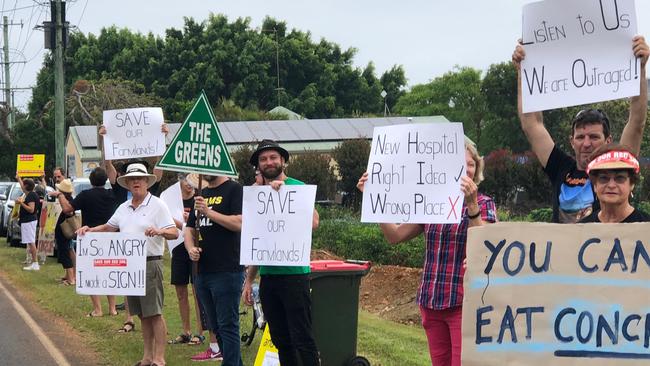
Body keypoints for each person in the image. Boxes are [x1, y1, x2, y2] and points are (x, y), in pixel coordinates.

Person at [357, 138, 496, 366]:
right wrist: (373, 197)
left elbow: (484, 247)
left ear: (477, 168)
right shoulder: (433, 202)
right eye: (460, 164)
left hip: (464, 303)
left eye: (471, 164)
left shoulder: (484, 203)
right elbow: (395, 235)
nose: (466, 169)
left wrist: (472, 207)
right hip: (431, 301)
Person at [512, 35, 649, 223]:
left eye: (593, 136)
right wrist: (524, 73)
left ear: (608, 141)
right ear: (571, 141)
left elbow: (636, 122)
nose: (586, 143)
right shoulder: (560, 166)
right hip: (563, 251)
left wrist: (640, 68)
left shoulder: (619, 160)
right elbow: (531, 125)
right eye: (580, 137)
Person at [77, 163, 177, 366]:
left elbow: (174, 231)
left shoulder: (157, 205)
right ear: (128, 183)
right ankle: (147, 356)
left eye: (140, 179)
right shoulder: (123, 207)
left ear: (147, 182)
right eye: (132, 179)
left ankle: (159, 358)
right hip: (130, 266)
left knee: (155, 312)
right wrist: (89, 230)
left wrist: (159, 232)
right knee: (141, 314)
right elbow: (109, 227)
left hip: (150, 263)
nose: (136, 182)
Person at [242, 139, 321, 366]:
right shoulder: (256, 196)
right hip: (268, 278)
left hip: (294, 276)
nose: (269, 162)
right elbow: (257, 241)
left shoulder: (298, 187)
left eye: (273, 157)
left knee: (302, 338)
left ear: (283, 161)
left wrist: (282, 194)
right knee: (280, 340)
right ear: (259, 165)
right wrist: (249, 280)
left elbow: (314, 222)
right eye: (263, 159)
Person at [184, 173, 244, 364]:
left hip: (227, 270)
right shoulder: (201, 193)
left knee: (228, 325)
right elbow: (189, 229)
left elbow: (239, 223)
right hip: (202, 271)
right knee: (216, 326)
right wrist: (190, 248)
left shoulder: (235, 190)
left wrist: (209, 212)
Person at [57, 167, 118, 317]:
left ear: (91, 181)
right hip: (110, 236)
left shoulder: (85, 195)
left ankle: (97, 309)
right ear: (105, 181)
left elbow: (67, 210)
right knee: (109, 272)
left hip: (90, 237)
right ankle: (112, 308)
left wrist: (60, 195)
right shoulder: (112, 194)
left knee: (91, 273)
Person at [167, 174, 207, 346]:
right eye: (185, 181)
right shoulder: (171, 200)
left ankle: (200, 332)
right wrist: (181, 223)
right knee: (181, 292)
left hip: (197, 246)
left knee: (198, 291)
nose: (189, 185)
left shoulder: (200, 198)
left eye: (191, 181)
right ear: (179, 180)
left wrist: (188, 223)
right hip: (178, 248)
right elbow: (165, 219)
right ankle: (186, 331)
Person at [579, 144, 648, 223]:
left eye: (619, 178)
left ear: (631, 184)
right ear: (595, 185)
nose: (611, 185)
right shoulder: (582, 229)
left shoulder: (646, 226)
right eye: (604, 178)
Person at [48, 179, 76, 285]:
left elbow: (69, 212)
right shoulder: (68, 199)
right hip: (64, 232)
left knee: (65, 253)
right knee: (68, 251)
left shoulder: (66, 200)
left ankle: (71, 279)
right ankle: (69, 275)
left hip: (64, 232)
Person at [16, 176, 41, 271]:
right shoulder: (29, 193)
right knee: (30, 242)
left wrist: (21, 203)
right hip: (27, 221)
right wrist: (18, 178)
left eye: (24, 184)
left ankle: (35, 263)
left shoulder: (31, 196)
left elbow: (31, 209)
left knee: (31, 242)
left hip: (29, 220)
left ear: (27, 185)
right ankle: (34, 262)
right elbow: (23, 187)